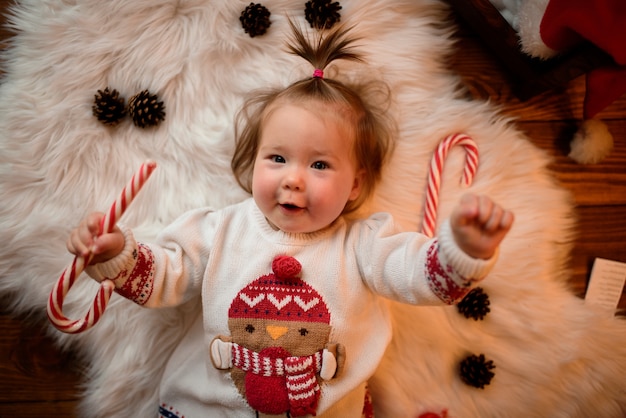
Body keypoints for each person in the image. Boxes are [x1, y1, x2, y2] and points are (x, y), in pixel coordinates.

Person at [67, 21, 514, 418]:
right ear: (253, 162)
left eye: (319, 165)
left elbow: (419, 274)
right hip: (205, 405)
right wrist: (116, 254)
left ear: (355, 185)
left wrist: (465, 251)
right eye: (277, 158)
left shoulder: (364, 245)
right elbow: (163, 276)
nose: (294, 180)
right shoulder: (219, 229)